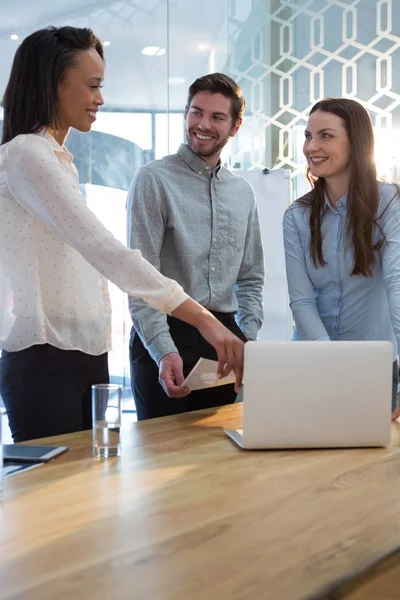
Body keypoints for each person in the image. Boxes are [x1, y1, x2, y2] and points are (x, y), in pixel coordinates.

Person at [0, 27, 245, 443]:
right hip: (44, 359)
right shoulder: (26, 154)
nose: (100, 98)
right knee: (56, 502)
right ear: (53, 84)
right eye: (92, 86)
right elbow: (105, 250)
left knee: (91, 494)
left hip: (83, 354)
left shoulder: (60, 161)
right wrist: (203, 319)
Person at [127, 73, 264, 420]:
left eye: (217, 117)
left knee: (217, 458)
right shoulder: (152, 179)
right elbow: (141, 282)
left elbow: (250, 278)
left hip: (224, 343)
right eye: (196, 113)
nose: (203, 125)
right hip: (164, 334)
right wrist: (162, 351)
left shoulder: (243, 192)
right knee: (160, 456)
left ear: (235, 126)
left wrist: (246, 337)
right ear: (185, 113)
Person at [282, 97, 400, 418]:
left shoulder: (390, 202)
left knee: (371, 465)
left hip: (372, 365)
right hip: (311, 362)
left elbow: (396, 281)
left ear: (356, 142)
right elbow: (301, 300)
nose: (311, 147)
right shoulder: (297, 215)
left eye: (326, 135)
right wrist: (329, 358)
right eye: (308, 135)